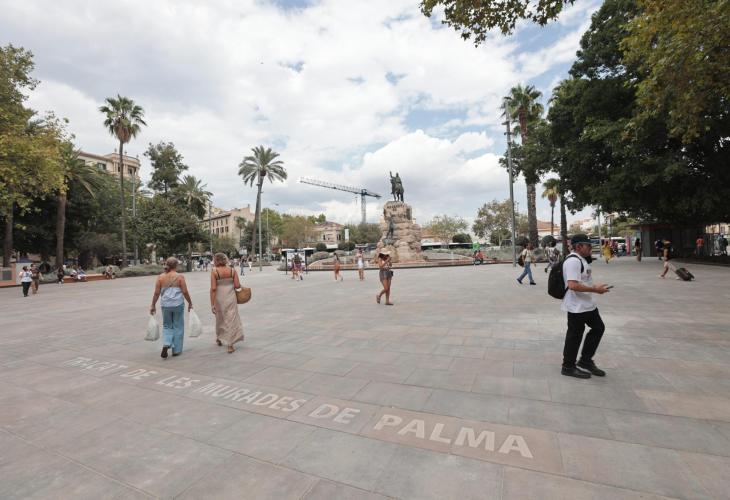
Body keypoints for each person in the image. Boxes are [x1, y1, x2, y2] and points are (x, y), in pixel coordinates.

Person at [561, 234, 610, 379]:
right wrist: (595, 289)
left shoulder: (581, 260)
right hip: (576, 306)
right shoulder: (573, 261)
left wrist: (594, 287)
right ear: (578, 246)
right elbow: (572, 285)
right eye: (588, 245)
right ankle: (568, 366)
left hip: (587, 304)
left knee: (598, 328)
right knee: (575, 335)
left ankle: (585, 360)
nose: (590, 248)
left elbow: (583, 280)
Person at [150, 257, 193, 359]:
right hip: (178, 304)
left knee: (167, 325)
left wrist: (153, 305)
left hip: (165, 305)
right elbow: (185, 292)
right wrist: (190, 303)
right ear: (176, 265)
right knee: (178, 326)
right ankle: (176, 350)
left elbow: (156, 293)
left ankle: (166, 342)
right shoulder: (180, 277)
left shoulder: (160, 277)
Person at [210, 252, 244, 353]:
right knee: (231, 318)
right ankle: (230, 345)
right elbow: (237, 286)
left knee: (220, 318)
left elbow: (213, 288)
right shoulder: (232, 270)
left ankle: (219, 338)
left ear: (216, 260)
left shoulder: (214, 271)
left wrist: (212, 304)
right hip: (231, 297)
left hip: (219, 298)